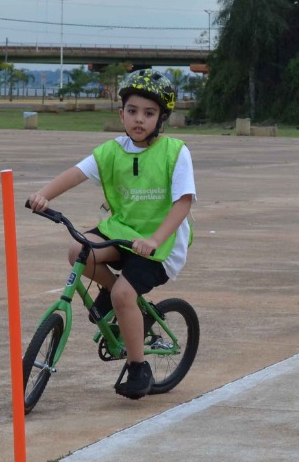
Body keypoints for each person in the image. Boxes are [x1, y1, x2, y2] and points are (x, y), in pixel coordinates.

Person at [27, 69, 195, 399]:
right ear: (121, 114)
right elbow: (76, 173)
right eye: (132, 111)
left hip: (161, 245)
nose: (139, 120)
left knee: (123, 294)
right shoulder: (112, 151)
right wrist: (43, 195)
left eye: (149, 113)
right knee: (78, 252)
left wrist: (155, 240)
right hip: (121, 232)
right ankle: (110, 295)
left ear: (162, 118)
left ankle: (137, 366)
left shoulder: (175, 152)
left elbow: (183, 204)